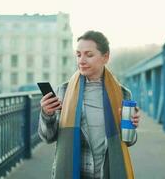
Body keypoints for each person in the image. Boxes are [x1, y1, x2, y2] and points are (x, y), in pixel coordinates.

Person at [38, 30, 141, 179]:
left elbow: (129, 140)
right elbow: (48, 137)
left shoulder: (123, 94)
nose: (81, 60)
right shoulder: (64, 91)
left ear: (105, 57)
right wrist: (47, 115)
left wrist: (132, 126)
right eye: (78, 54)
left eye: (89, 54)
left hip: (108, 173)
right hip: (75, 173)